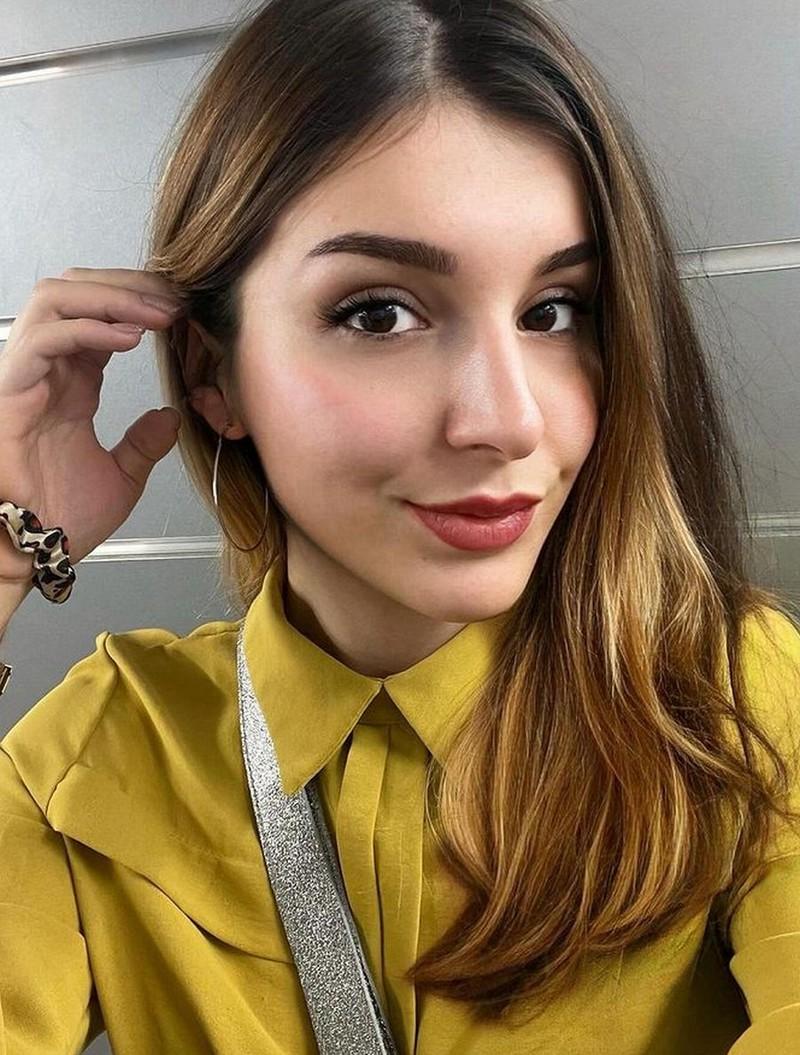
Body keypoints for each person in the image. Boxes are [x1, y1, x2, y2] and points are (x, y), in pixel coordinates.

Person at [1, 0, 799, 1051]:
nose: (508, 418)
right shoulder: (100, 750)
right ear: (212, 373)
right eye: (378, 313)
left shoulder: (730, 698)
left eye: (554, 310)